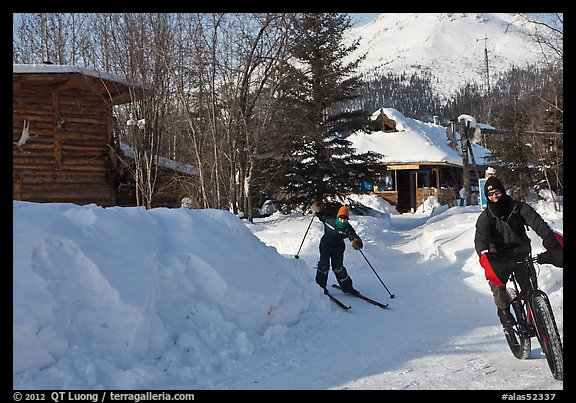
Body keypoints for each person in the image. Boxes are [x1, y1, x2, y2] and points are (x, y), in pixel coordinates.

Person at [474, 176, 563, 327]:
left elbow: (539, 224)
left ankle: (537, 317)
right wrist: (485, 257)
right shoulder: (485, 218)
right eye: (490, 194)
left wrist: (551, 243)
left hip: (521, 253)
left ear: (502, 191)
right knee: (498, 284)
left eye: (497, 192)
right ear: (486, 197)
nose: (494, 196)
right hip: (499, 258)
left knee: (530, 288)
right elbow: (480, 240)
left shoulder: (519, 208)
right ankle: (503, 311)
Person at [311, 201, 363, 294]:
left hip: (338, 248)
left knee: (338, 268)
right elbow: (319, 214)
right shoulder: (329, 219)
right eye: (341, 218)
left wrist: (356, 242)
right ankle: (320, 288)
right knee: (324, 266)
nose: (343, 221)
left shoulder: (347, 228)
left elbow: (354, 236)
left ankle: (348, 288)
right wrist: (317, 208)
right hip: (325, 245)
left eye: (345, 219)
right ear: (338, 217)